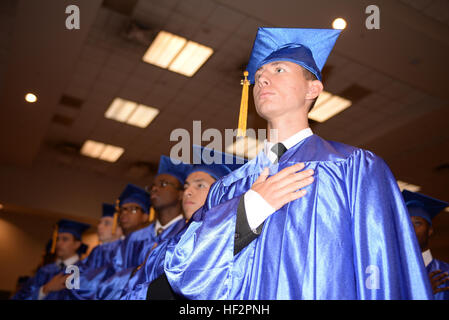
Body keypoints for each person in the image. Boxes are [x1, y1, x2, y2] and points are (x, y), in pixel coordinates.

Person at [163, 27, 433, 299]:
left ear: (313, 88)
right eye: (258, 76)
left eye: (278, 70)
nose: (263, 79)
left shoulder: (354, 168)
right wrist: (250, 209)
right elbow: (184, 270)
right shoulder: (227, 189)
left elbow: (381, 272)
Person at [120, 146, 246, 299]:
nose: (187, 192)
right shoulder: (171, 242)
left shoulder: (228, 242)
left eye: (200, 185)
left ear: (222, 191)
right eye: (186, 186)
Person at [12, 219, 90, 300]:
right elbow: (21, 296)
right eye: (57, 239)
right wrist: (45, 289)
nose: (58, 243)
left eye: (65, 239)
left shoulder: (84, 272)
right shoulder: (45, 271)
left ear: (77, 244)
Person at [403, 189, 449, 300]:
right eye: (407, 223)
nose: (411, 229)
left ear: (430, 230)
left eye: (417, 223)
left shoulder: (445, 273)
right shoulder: (392, 271)